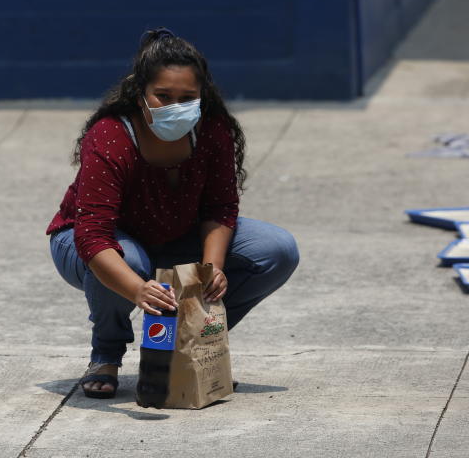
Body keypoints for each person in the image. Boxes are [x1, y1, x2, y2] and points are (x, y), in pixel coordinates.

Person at [47, 29, 299, 398]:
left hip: (177, 234)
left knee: (277, 249)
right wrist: (137, 290)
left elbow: (221, 208)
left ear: (202, 97)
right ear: (140, 94)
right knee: (128, 260)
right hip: (93, 243)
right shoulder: (110, 136)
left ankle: (190, 345)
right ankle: (105, 355)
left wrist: (211, 270)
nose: (174, 106)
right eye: (163, 97)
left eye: (187, 98)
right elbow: (93, 235)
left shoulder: (213, 130)